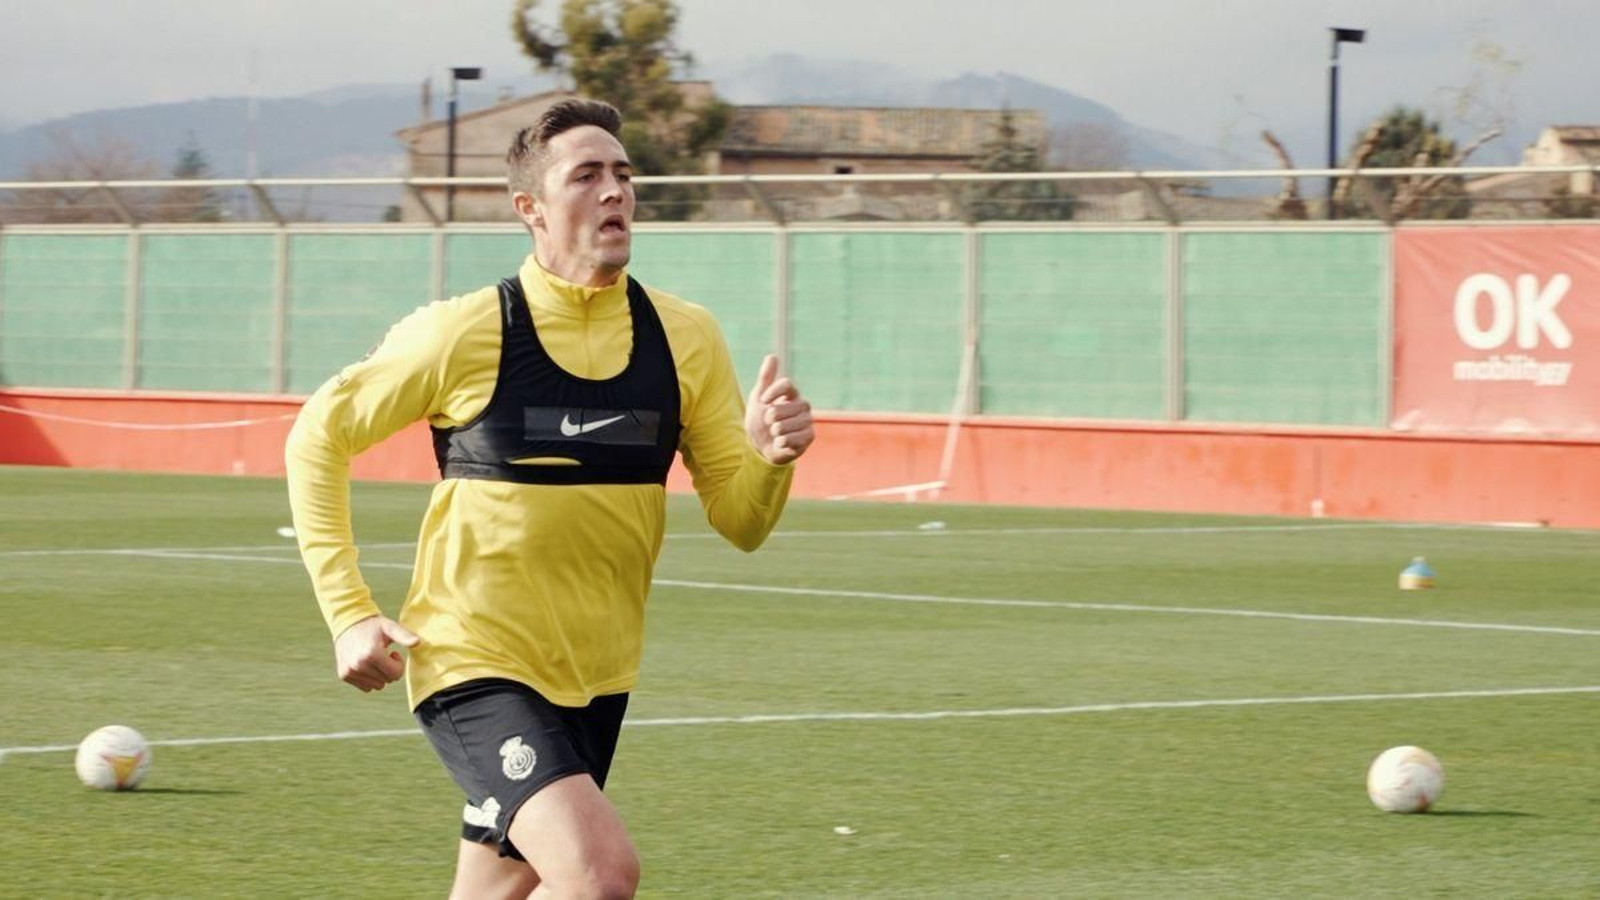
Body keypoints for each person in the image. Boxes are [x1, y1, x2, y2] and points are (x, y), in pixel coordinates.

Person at [285, 97, 814, 898]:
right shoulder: (463, 331)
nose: (616, 192)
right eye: (588, 175)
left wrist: (770, 459)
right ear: (529, 208)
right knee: (601, 874)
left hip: (598, 677)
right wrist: (348, 610)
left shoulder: (687, 337)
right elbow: (317, 436)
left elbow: (740, 522)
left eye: (624, 174)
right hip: (473, 662)